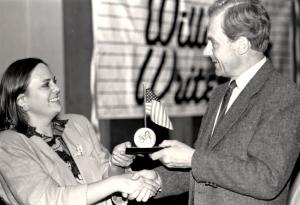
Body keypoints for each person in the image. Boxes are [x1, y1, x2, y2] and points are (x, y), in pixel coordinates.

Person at [136, 0, 300, 204]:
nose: (206, 51)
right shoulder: (220, 93)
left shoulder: (282, 94)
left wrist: (192, 158)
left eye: (213, 43)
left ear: (241, 45)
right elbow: (207, 170)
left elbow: (267, 179)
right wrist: (160, 179)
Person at [0, 58, 160, 205]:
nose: (56, 88)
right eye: (46, 84)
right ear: (22, 101)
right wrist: (116, 183)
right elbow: (46, 199)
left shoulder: (78, 124)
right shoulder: (8, 143)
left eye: (54, 81)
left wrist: (116, 164)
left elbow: (106, 182)